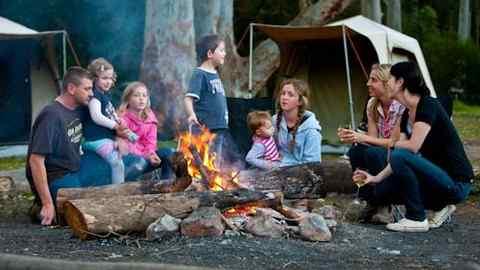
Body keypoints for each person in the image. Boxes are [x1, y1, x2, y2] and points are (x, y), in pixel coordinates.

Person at [354, 61, 474, 232]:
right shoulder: (406, 113)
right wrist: (376, 178)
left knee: (400, 154)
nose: (387, 84)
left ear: (400, 82)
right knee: (383, 189)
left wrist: (393, 144)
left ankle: (417, 217)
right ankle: (434, 208)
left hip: (456, 182)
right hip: (434, 180)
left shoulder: (428, 105)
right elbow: (399, 154)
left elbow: (412, 146)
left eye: (390, 80)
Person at [337, 64, 405, 223]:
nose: (368, 83)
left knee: (373, 153)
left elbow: (394, 142)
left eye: (373, 80)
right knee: (355, 151)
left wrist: (363, 138)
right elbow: (373, 137)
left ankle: (384, 204)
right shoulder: (373, 104)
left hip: (400, 154)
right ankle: (369, 200)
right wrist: (355, 136)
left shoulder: (401, 106)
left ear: (387, 83)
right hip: (382, 150)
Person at [26, 66, 94, 225]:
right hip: (56, 177)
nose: (91, 93)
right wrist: (47, 202)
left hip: (76, 170)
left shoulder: (79, 108)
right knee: (78, 213)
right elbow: (35, 160)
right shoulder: (51, 115)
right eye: (87, 89)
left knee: (123, 169)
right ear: (71, 88)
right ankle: (42, 208)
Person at [184, 34, 242, 169]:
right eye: (221, 50)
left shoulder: (215, 74)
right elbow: (188, 98)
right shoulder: (200, 74)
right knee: (206, 160)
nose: (225, 53)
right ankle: (204, 182)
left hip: (220, 126)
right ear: (210, 53)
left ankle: (214, 182)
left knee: (216, 160)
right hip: (207, 128)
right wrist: (191, 114)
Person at [82, 58, 132, 184]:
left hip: (105, 138)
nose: (108, 81)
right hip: (96, 139)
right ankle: (118, 191)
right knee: (117, 163)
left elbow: (109, 112)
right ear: (94, 78)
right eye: (104, 78)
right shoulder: (95, 96)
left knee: (132, 141)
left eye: (110, 78)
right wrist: (114, 125)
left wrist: (117, 119)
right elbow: (96, 116)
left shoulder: (104, 95)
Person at [118, 81, 173, 180]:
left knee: (170, 153)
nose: (141, 99)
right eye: (136, 95)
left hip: (146, 156)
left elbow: (150, 142)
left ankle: (166, 184)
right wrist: (146, 155)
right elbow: (126, 146)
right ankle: (127, 186)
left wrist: (151, 154)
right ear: (128, 99)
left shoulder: (150, 118)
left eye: (144, 96)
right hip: (129, 159)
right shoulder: (122, 118)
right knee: (139, 162)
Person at [273, 78, 322, 166]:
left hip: (299, 175)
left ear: (300, 101)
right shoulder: (274, 121)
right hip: (275, 169)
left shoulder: (311, 130)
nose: (284, 97)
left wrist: (283, 165)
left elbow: (312, 164)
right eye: (283, 93)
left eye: (290, 95)